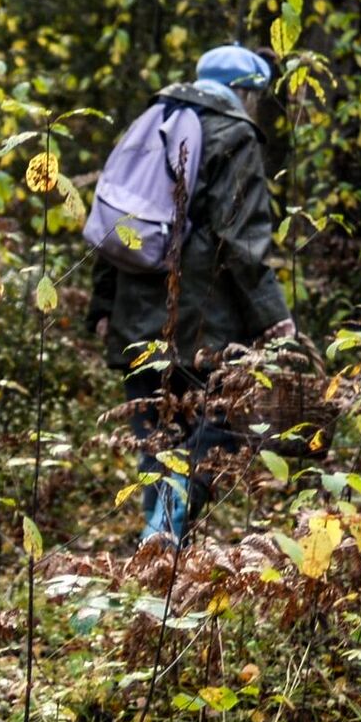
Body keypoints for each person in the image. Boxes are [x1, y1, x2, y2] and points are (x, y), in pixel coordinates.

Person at [86, 45, 297, 547]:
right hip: (203, 320)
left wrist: (103, 304)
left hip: (135, 315)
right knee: (223, 424)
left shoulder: (149, 122)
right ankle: (165, 532)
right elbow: (240, 239)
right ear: (245, 92)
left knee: (157, 439)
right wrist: (273, 317)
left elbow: (116, 219)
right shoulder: (235, 134)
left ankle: (158, 542)